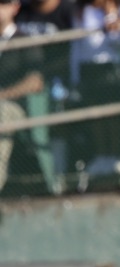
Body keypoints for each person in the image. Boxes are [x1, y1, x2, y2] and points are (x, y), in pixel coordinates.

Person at [0, 0, 46, 193]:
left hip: (16, 108)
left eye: (3, 3)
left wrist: (3, 95)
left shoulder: (24, 40)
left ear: (15, 7)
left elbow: (35, 82)